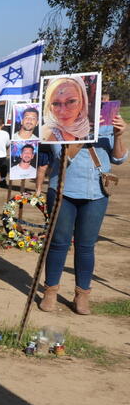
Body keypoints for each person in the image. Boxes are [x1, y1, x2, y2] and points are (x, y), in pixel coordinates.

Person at [35, 110, 125, 313]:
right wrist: (84, 133)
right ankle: (50, 291)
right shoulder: (57, 122)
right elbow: (62, 156)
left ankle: (82, 294)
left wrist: (119, 135)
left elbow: (118, 159)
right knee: (58, 243)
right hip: (64, 191)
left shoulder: (106, 123)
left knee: (86, 246)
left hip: (96, 193)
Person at [41, 76, 92, 142]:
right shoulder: (47, 135)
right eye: (55, 103)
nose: (63, 111)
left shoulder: (83, 127)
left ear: (83, 102)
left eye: (71, 101)